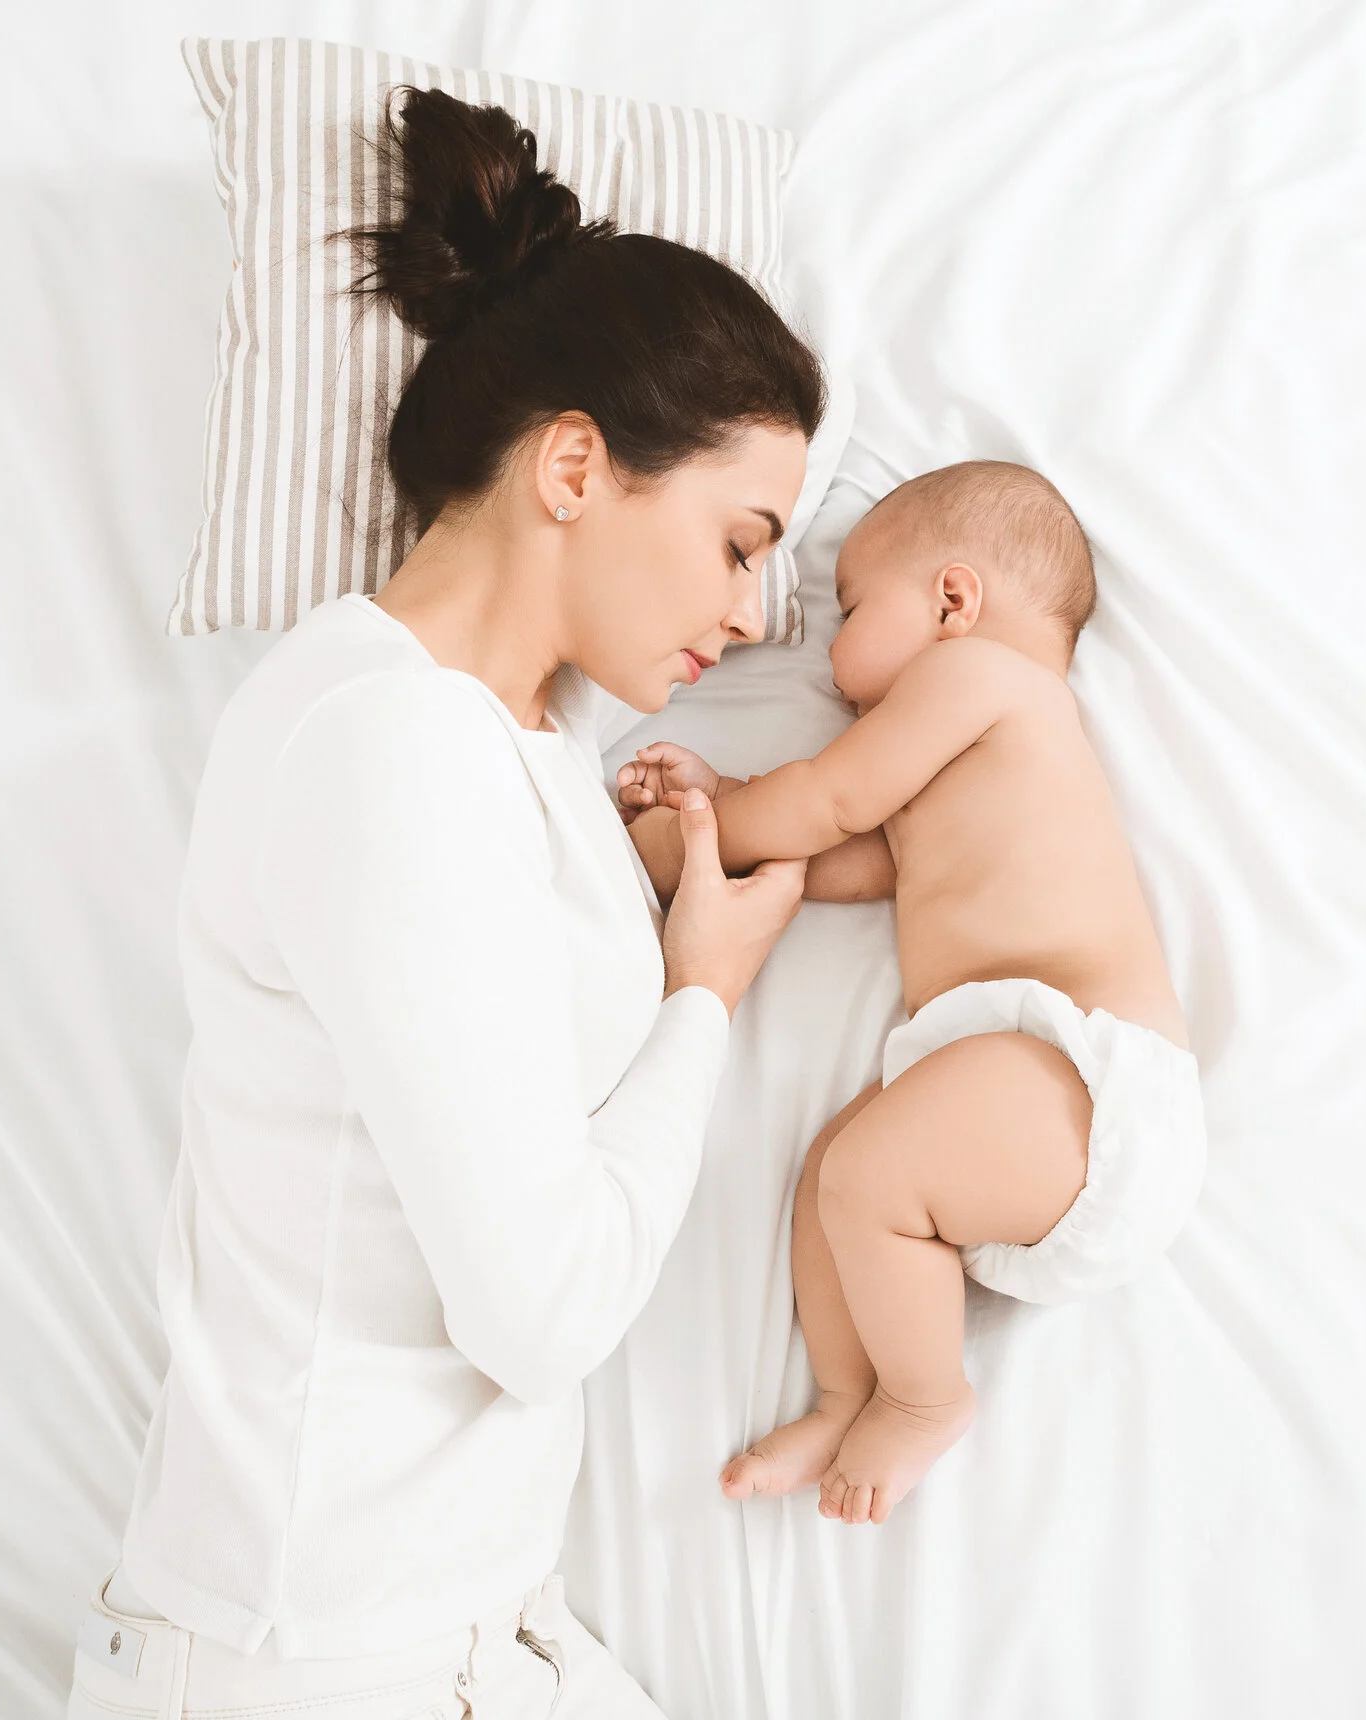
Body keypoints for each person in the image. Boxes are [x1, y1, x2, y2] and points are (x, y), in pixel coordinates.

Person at [68, 89, 823, 1720]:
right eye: (740, 542)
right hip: (319, 1662)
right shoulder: (385, 746)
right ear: (572, 464)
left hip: (461, 1629)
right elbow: (538, 1312)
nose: (759, 613)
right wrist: (703, 999)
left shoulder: (520, 739)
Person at [613, 461, 1206, 1526]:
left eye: (848, 609)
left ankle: (926, 1397)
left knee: (872, 1172)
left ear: (952, 602)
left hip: (1088, 1087)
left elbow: (831, 798)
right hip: (1011, 1097)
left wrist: (687, 842)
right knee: (839, 1173)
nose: (831, 661)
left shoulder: (983, 680)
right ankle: (851, 1394)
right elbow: (852, 855)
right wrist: (727, 822)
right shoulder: (964, 747)